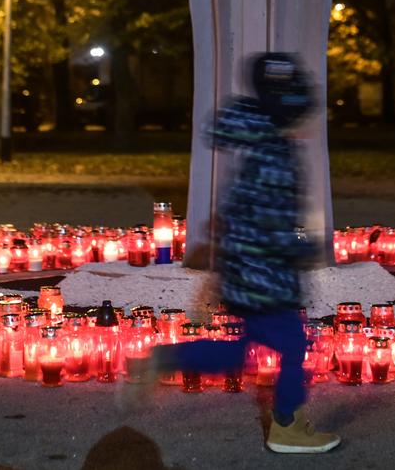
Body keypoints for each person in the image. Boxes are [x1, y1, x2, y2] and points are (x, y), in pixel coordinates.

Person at [134, 52, 340, 454]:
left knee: (242, 350)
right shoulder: (276, 155)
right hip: (265, 279)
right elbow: (280, 225)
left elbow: (264, 213)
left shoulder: (263, 146)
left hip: (248, 275)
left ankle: (164, 360)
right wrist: (307, 245)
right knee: (295, 346)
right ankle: (287, 426)